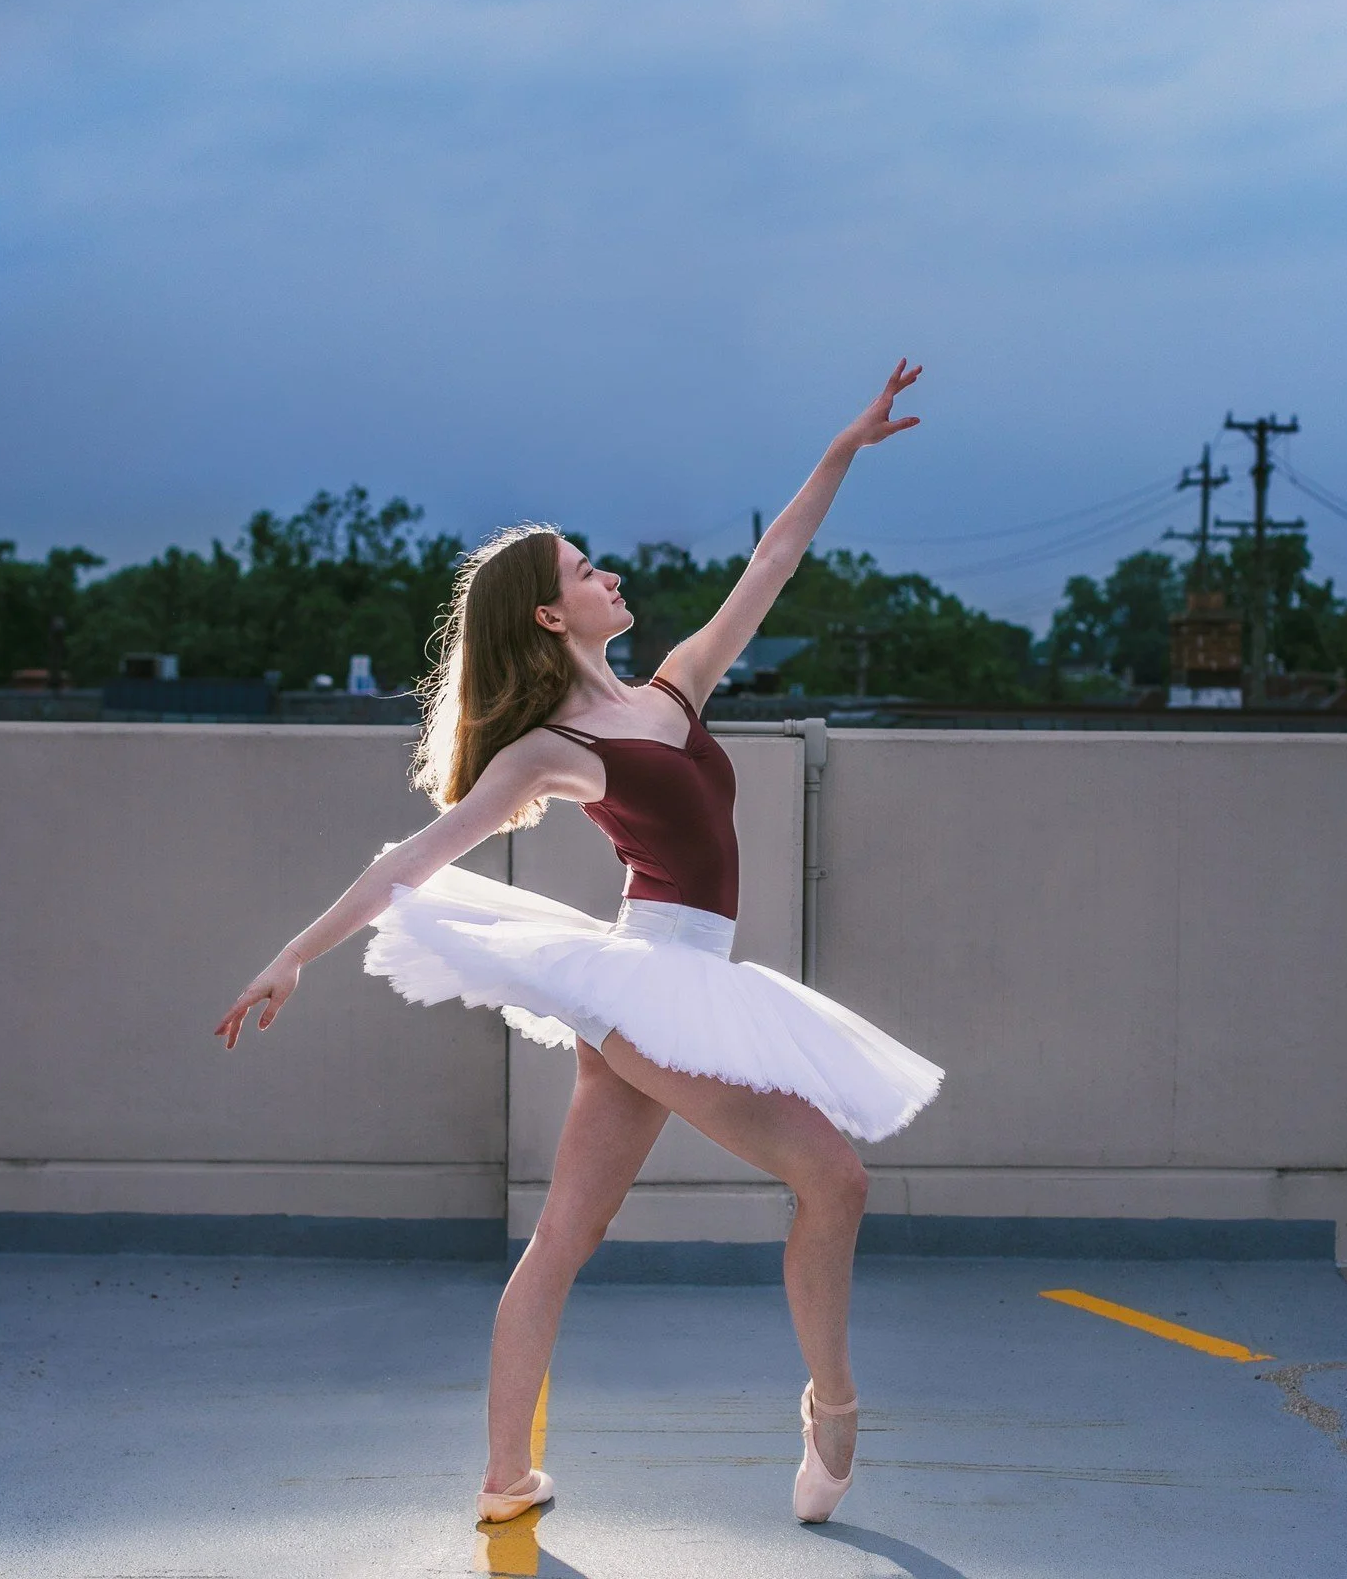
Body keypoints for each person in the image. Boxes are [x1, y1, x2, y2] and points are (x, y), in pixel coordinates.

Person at [213, 361, 944, 1527]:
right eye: (583, 571)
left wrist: (842, 449)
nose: (609, 575)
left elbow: (773, 565)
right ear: (553, 616)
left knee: (566, 1233)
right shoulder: (550, 748)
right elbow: (413, 858)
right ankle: (835, 1407)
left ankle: (506, 1480)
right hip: (653, 981)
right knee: (836, 1177)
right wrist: (294, 951)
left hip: (677, 983)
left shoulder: (675, 690)